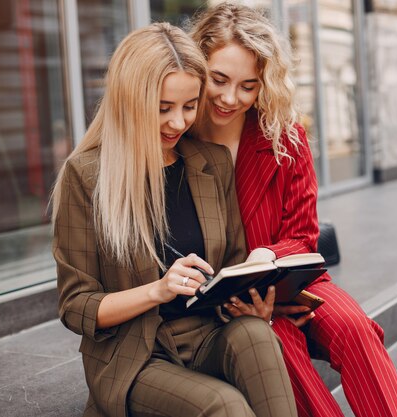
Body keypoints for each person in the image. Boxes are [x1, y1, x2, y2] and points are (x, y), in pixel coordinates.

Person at [50, 22, 297, 417]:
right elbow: (76, 306)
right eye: (163, 108)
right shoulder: (87, 176)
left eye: (189, 105)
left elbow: (233, 259)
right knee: (226, 406)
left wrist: (249, 299)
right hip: (136, 355)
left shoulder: (211, 162)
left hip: (209, 333)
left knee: (256, 335)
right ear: (131, 101)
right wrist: (159, 290)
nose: (179, 123)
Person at [189, 4, 397, 417]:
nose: (229, 98)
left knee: (356, 329)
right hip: (225, 302)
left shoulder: (283, 134)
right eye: (218, 79)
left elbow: (304, 234)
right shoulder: (178, 136)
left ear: (264, 84)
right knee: (278, 341)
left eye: (248, 86)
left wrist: (269, 257)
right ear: (198, 64)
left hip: (291, 279)